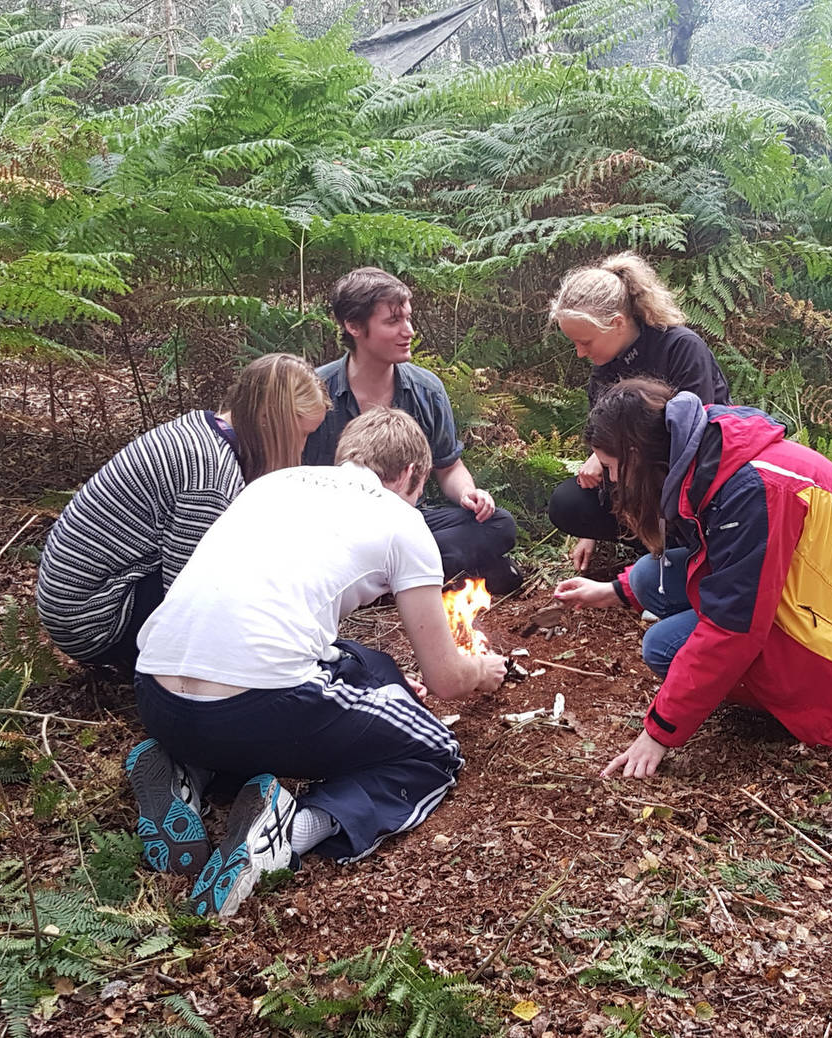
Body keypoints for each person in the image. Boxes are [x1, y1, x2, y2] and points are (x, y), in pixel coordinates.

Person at [127, 408, 508, 917]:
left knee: (348, 661)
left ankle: (184, 768)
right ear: (414, 476)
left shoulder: (270, 485)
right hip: (255, 704)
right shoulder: (402, 521)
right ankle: (291, 828)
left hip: (155, 691)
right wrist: (481, 670)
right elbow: (445, 678)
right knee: (434, 753)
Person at [552, 378, 832, 780]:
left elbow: (732, 628)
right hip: (809, 581)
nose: (611, 481)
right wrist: (615, 590)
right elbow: (717, 555)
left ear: (634, 455)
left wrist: (659, 733)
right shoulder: (701, 444)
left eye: (611, 469)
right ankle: (821, 687)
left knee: (663, 648)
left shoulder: (750, 489)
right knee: (649, 575)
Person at [36, 353, 330, 668]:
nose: (301, 448)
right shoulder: (210, 476)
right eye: (302, 435)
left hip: (79, 601)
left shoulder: (204, 428)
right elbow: (190, 596)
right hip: (94, 620)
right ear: (269, 421)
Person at [301, 267, 522, 595]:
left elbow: (448, 466)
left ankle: (382, 582)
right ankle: (417, 575)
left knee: (498, 525)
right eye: (393, 321)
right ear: (353, 326)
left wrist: (468, 495)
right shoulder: (316, 391)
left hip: (408, 525)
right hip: (336, 534)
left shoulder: (426, 389)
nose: (408, 331)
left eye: (408, 318)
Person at [546, 252, 732, 573]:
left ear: (617, 323)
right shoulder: (603, 369)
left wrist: (615, 455)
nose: (580, 353)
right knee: (568, 503)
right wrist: (588, 531)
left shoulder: (680, 347)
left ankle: (684, 553)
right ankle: (654, 549)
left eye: (585, 342)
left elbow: (696, 437)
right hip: (631, 481)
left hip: (691, 479)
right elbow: (601, 440)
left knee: (660, 485)